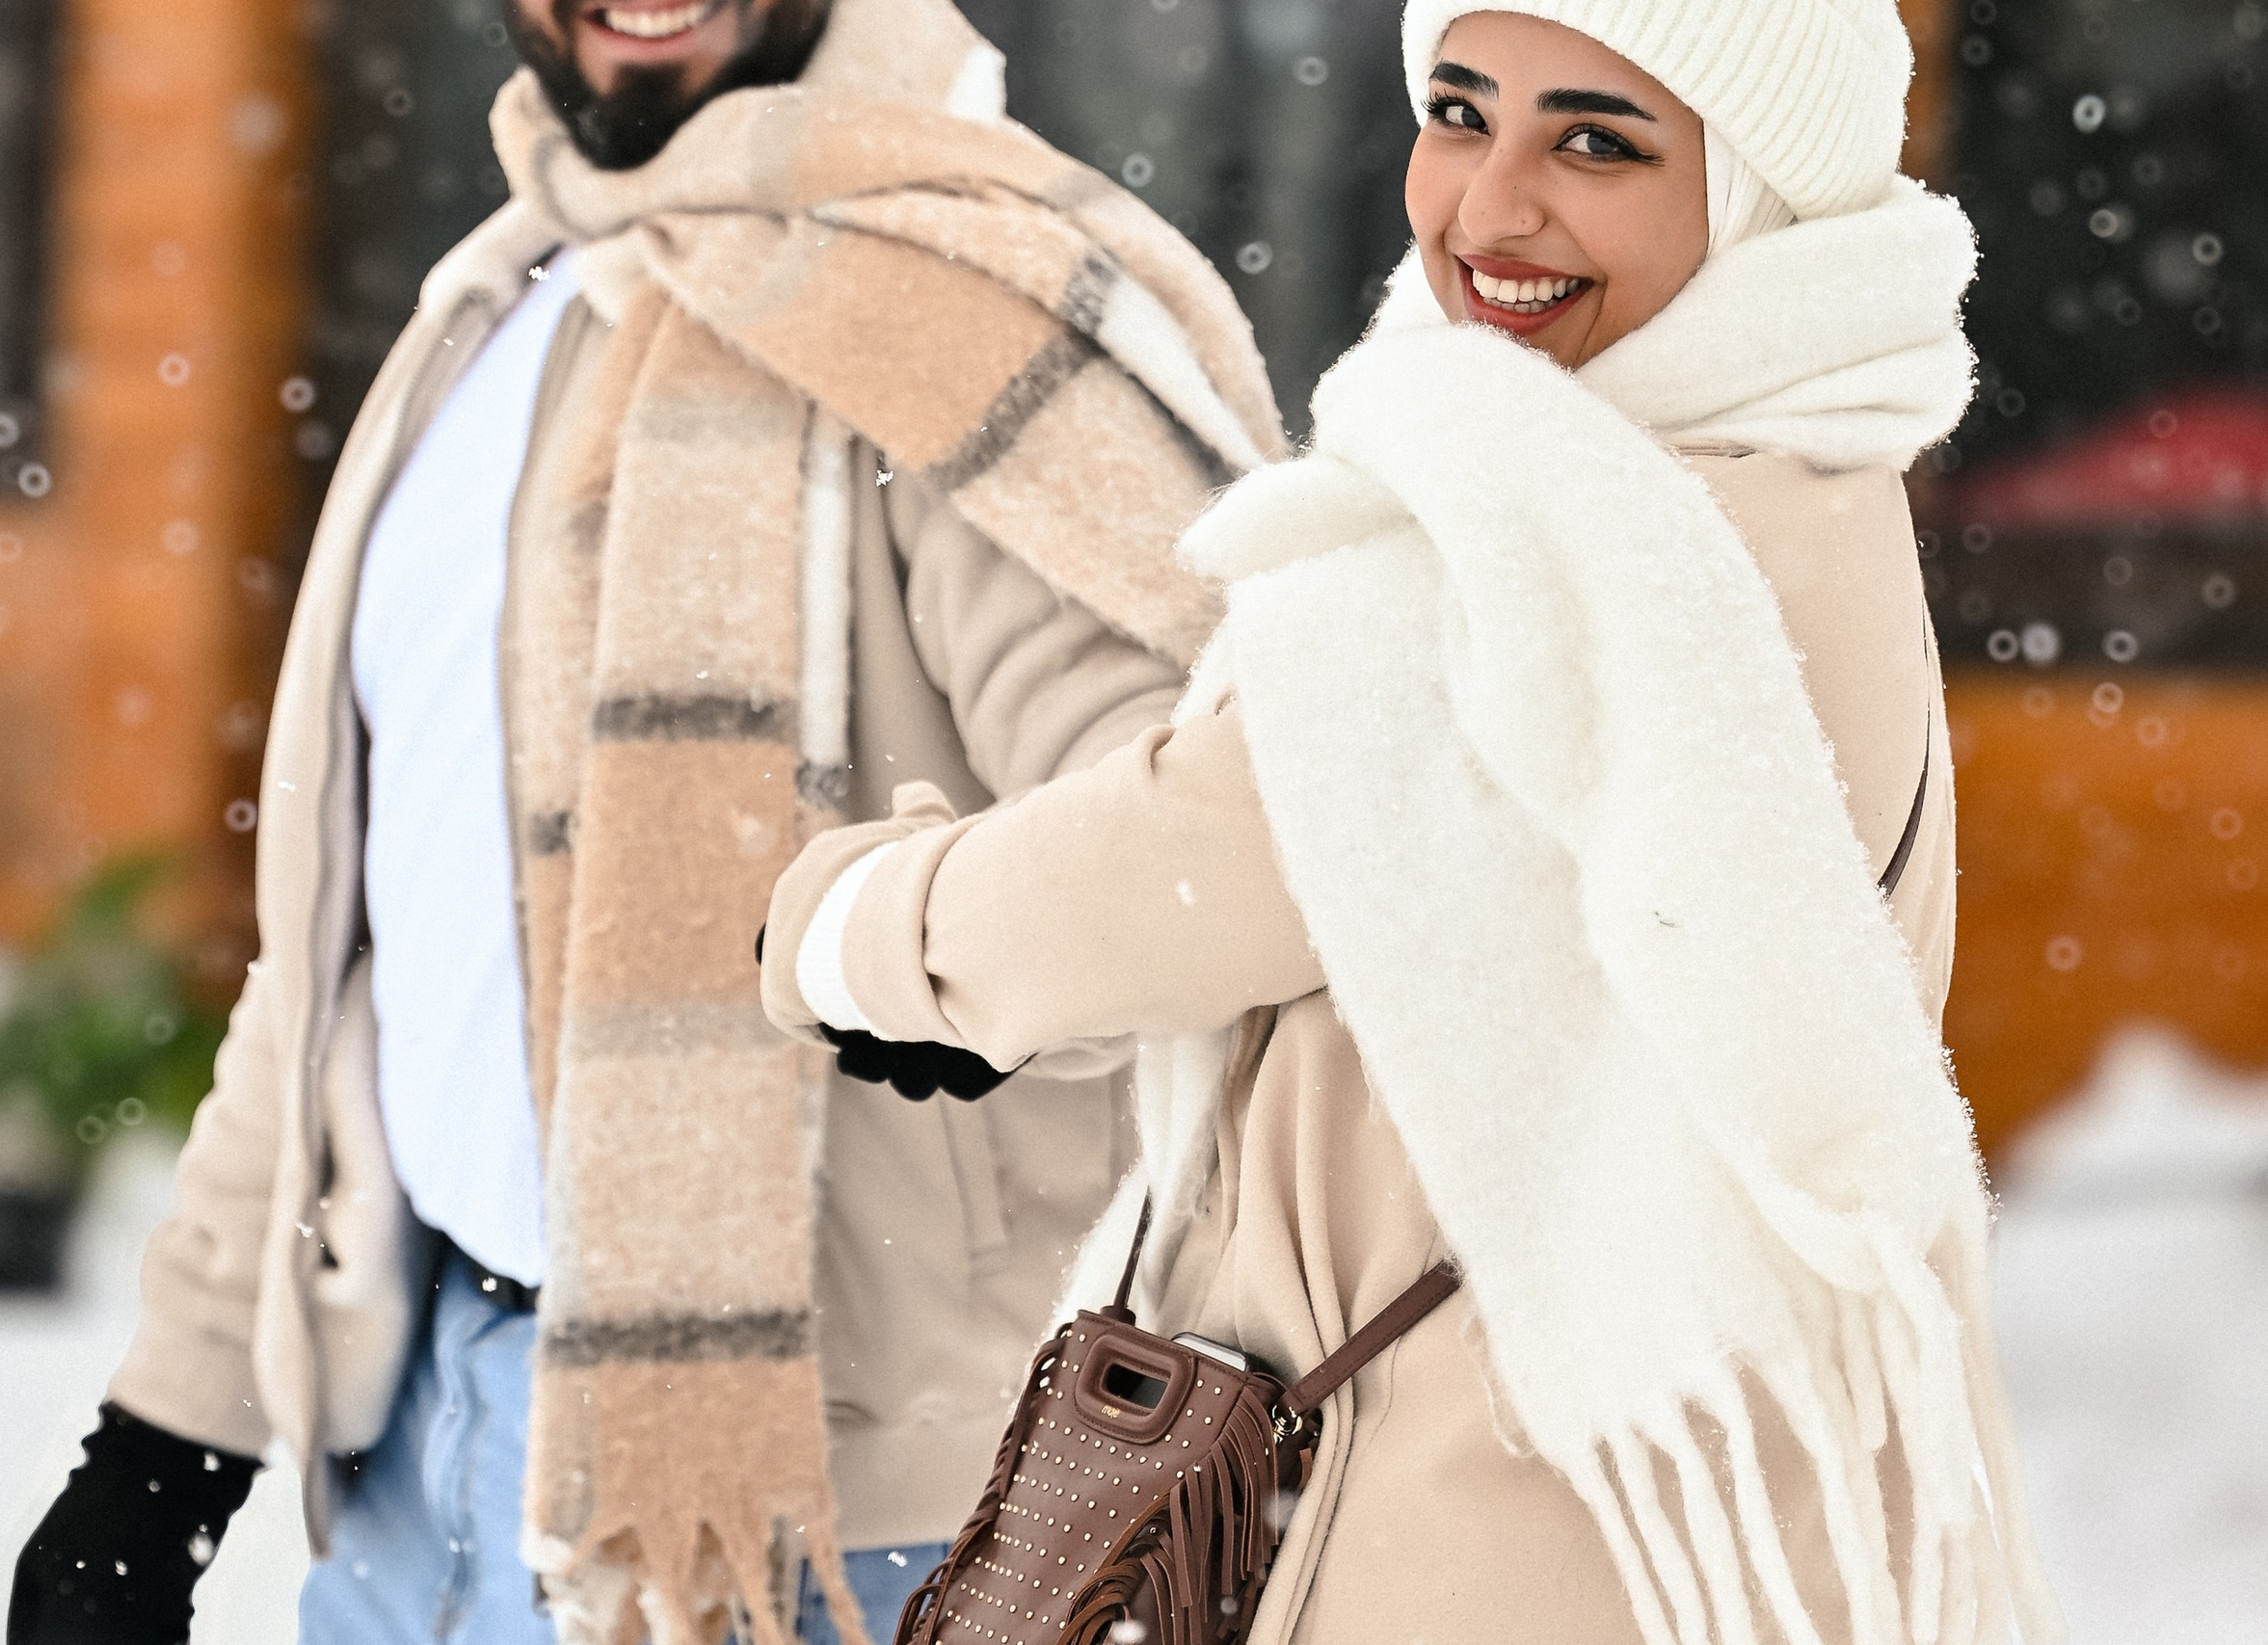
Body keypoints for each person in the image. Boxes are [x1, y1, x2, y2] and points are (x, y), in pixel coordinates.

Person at [760, 4, 2069, 1642]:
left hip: (1489, 1536)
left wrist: (860, 928)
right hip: (1633, 1511)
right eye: (1461, 111)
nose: (1491, 205)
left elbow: (1220, 851)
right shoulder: (1790, 471)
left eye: (1597, 141)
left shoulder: (1605, 533)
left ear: (1757, 192)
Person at [6, 0, 1284, 1639]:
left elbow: (1218, 833)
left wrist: (946, 959)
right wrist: (168, 1436)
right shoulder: (496, 305)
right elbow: (356, 943)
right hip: (422, 1464)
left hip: (834, 1519)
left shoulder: (966, 308)